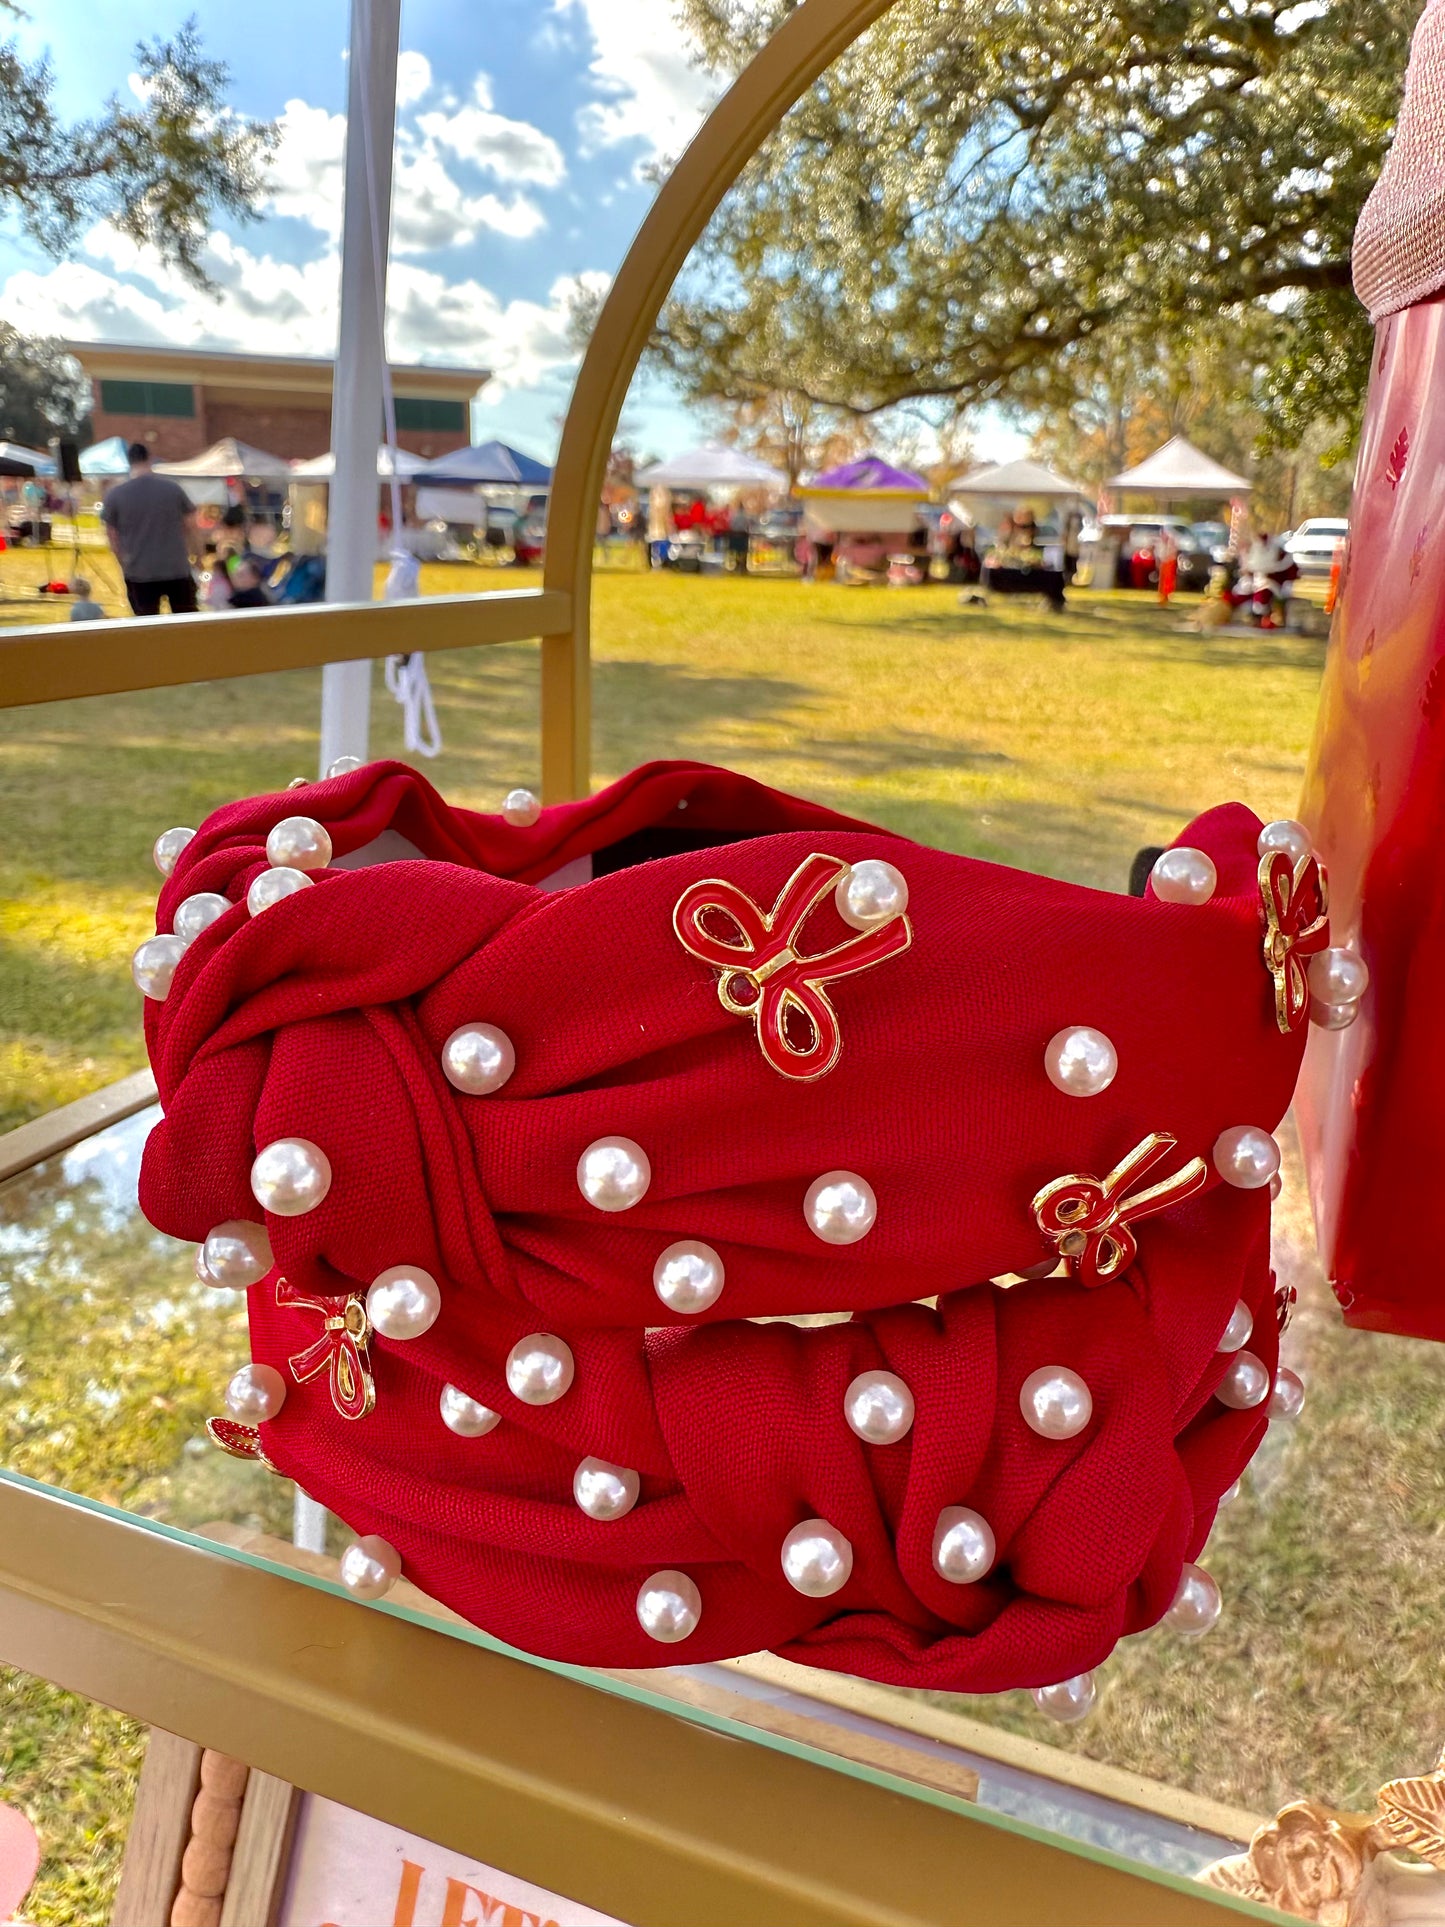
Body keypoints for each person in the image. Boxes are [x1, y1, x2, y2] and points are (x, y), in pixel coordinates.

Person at [101, 443, 198, 616]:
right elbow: (191, 526)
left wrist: (123, 563)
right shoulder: (173, 489)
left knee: (146, 627)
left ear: (128, 462)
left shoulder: (116, 495)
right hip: (175, 567)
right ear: (149, 459)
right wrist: (197, 556)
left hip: (139, 571)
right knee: (187, 624)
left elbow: (112, 537)